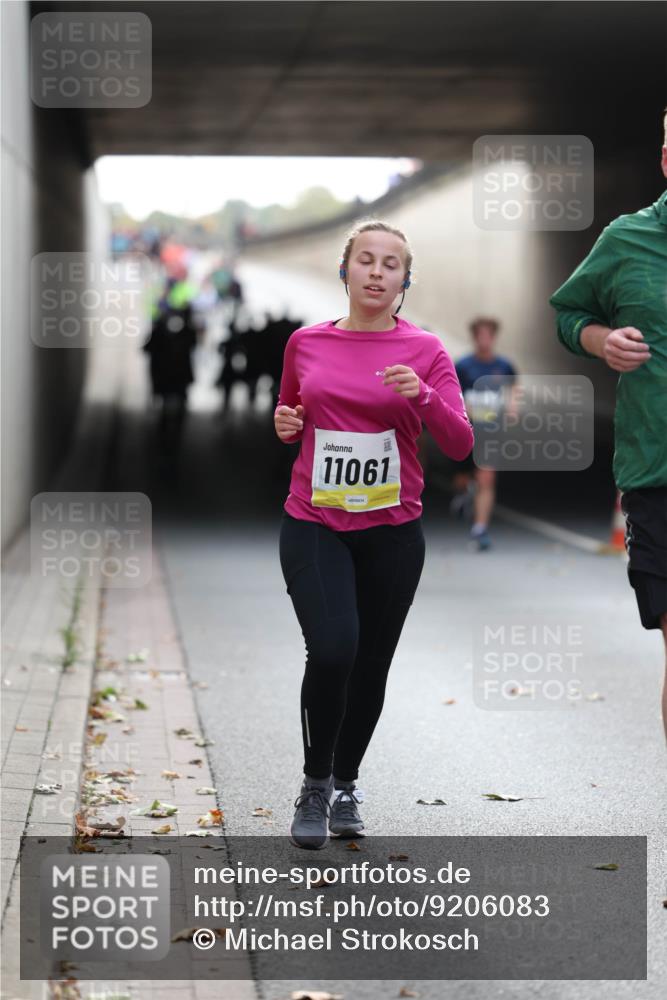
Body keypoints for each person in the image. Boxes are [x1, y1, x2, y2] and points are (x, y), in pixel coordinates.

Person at [274, 219, 473, 849]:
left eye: (391, 264)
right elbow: (289, 414)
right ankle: (313, 784)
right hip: (315, 521)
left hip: (392, 532)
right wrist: (284, 424)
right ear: (346, 270)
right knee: (333, 648)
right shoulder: (305, 342)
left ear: (404, 280)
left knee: (370, 664)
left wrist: (424, 398)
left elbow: (461, 442)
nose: (377, 272)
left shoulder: (426, 352)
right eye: (366, 260)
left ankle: (346, 783)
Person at [549, 106, 667, 743]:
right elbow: (568, 313)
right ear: (666, 159)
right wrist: (600, 340)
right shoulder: (627, 239)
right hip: (658, 472)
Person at [453, 318, 517, 550]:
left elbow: (514, 386)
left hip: (490, 431)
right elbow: (452, 392)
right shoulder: (462, 366)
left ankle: (480, 528)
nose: (484, 339)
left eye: (488, 335)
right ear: (474, 337)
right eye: (480, 335)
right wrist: (465, 411)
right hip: (466, 429)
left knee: (486, 478)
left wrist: (512, 407)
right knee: (461, 479)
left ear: (494, 337)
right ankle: (463, 493)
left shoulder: (504, 366)